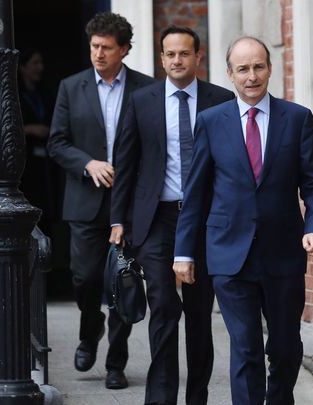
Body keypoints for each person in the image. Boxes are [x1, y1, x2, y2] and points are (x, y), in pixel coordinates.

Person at [173, 36, 313, 405]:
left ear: (270, 69)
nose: (252, 76)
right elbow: (195, 193)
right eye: (243, 69)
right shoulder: (211, 122)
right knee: (245, 348)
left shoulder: (297, 119)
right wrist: (184, 251)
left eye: (258, 66)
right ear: (230, 74)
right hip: (230, 254)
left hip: (283, 254)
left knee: (285, 347)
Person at [110, 25, 234, 405]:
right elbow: (125, 162)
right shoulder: (142, 100)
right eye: (169, 54)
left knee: (199, 315)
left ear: (198, 57)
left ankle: (197, 397)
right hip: (157, 219)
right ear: (161, 58)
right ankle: (160, 399)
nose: (176, 60)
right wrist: (118, 220)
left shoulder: (221, 100)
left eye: (184, 54)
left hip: (205, 220)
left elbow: (231, 165)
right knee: (163, 306)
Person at [47, 12, 154, 390]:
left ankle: (115, 363)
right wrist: (87, 163)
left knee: (123, 283)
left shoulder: (146, 89)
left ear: (124, 49)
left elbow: (155, 147)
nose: (98, 53)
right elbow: (56, 143)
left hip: (131, 204)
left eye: (107, 48)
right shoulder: (70, 87)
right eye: (94, 46)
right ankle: (90, 327)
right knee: (86, 277)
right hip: (85, 202)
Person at [18, 48, 59, 235]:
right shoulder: (15, 96)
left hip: (46, 161)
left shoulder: (46, 95)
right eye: (35, 63)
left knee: (47, 207)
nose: (39, 68)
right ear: (22, 67)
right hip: (24, 162)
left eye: (41, 63)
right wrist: (29, 129)